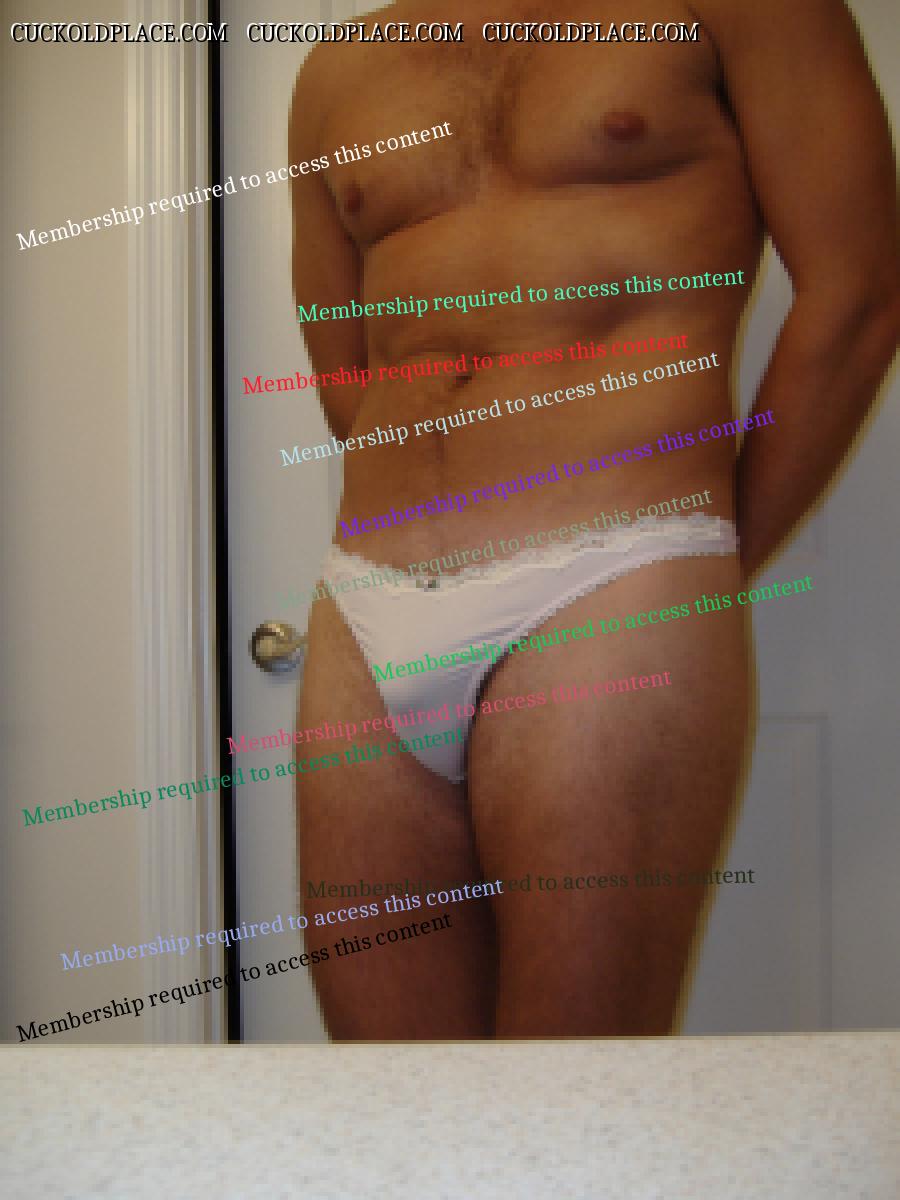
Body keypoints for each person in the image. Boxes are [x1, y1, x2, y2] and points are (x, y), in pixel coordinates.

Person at [287, 0, 899, 1039]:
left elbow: (857, 295)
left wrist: (696, 560)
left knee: (577, 1089)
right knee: (390, 1097)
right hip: (367, 605)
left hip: (612, 577)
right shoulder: (337, 68)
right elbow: (348, 366)